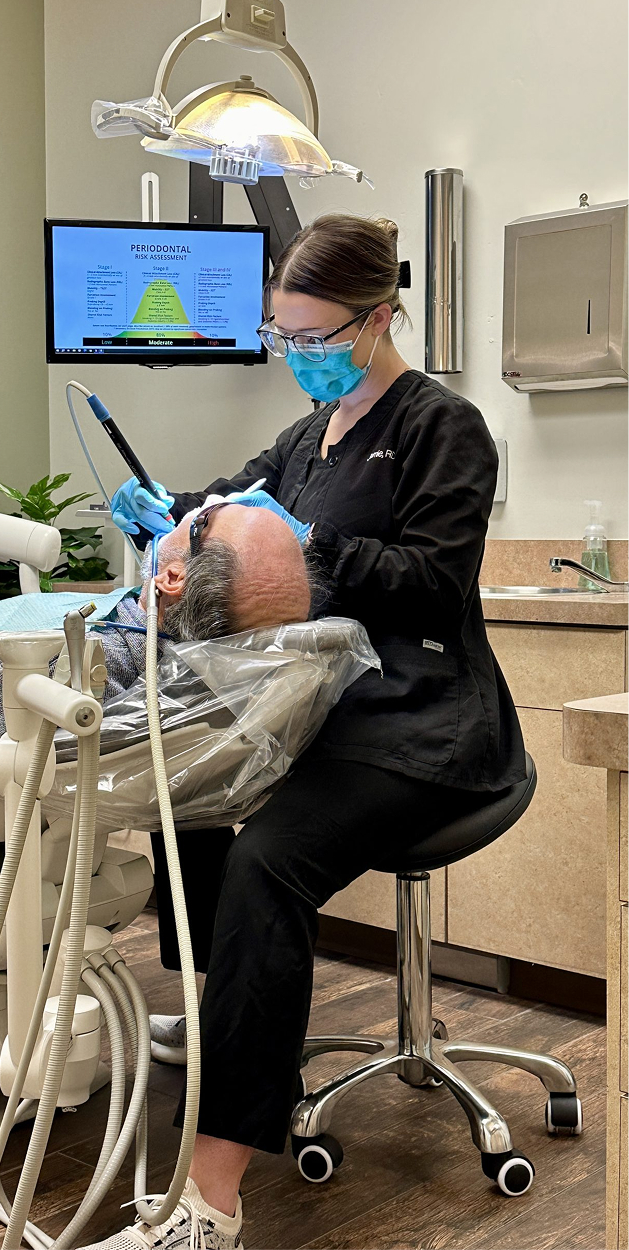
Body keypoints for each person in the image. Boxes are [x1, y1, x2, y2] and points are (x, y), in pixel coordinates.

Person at [83, 214, 526, 1250]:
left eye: (317, 338)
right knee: (182, 798)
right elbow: (229, 503)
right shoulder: (304, 439)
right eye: (285, 338)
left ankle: (208, 1205)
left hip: (426, 729)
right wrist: (172, 517)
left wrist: (309, 539)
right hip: (320, 716)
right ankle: (229, 1021)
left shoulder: (439, 426)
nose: (301, 359)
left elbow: (429, 585)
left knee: (266, 867)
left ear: (377, 319)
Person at [0, 502, 313, 768]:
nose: (192, 512)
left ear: (173, 578)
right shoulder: (137, 631)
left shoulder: (76, 663)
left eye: (203, 518)